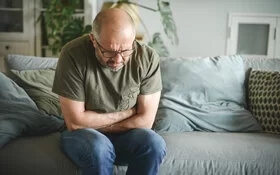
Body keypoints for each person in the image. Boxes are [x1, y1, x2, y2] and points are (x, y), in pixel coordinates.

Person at [52, 8, 166, 175]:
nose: (118, 59)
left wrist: (94, 121)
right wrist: (126, 114)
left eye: (126, 50)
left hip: (127, 137)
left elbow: (146, 121)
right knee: (99, 147)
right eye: (109, 51)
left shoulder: (147, 58)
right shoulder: (72, 54)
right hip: (84, 137)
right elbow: (76, 123)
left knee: (154, 144)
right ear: (93, 39)